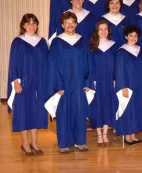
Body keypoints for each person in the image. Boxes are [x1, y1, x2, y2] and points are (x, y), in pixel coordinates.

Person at [48, 11, 93, 153]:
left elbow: (88, 62)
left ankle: (80, 141)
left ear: (76, 24)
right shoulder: (57, 42)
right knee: (64, 111)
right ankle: (64, 143)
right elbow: (52, 65)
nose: (70, 25)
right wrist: (57, 86)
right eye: (67, 23)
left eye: (72, 22)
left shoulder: (82, 40)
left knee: (80, 111)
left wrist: (87, 82)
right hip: (64, 83)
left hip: (79, 83)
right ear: (62, 25)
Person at [8, 14, 48, 156]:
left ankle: (34, 143)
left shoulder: (42, 42)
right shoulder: (18, 42)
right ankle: (25, 143)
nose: (32, 26)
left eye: (34, 23)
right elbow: (13, 63)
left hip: (39, 83)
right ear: (23, 25)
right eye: (28, 23)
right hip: (23, 83)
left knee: (36, 112)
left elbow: (47, 63)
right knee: (24, 113)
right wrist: (16, 82)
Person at [115, 25, 142, 145]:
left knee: (137, 108)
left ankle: (133, 135)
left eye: (135, 36)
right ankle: (127, 135)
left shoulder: (141, 51)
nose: (133, 38)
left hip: (139, 84)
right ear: (126, 36)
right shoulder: (121, 52)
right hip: (127, 84)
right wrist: (122, 86)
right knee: (128, 109)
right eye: (130, 35)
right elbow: (119, 71)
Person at [89, 20, 118, 146]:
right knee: (97, 107)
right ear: (96, 31)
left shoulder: (113, 46)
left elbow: (116, 65)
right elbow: (89, 66)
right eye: (100, 29)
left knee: (108, 106)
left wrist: (115, 79)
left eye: (105, 29)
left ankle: (105, 134)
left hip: (109, 81)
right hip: (97, 82)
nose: (103, 31)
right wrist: (92, 81)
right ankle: (99, 135)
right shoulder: (92, 47)